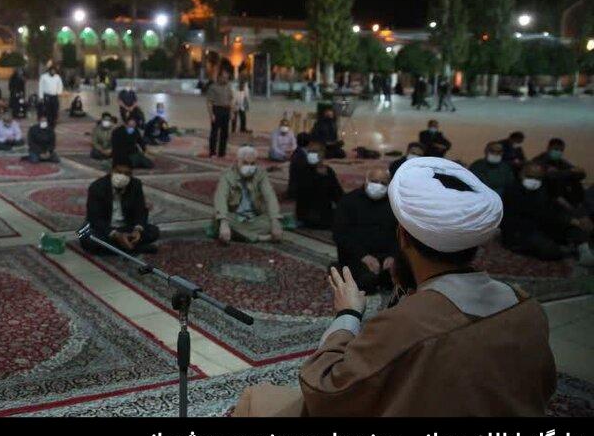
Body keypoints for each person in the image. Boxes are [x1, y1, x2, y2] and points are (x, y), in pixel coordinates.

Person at [233, 157, 556, 417]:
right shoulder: (526, 307)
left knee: (254, 400)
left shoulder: (408, 324)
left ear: (402, 237)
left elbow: (325, 389)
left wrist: (347, 315)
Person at [501, 162, 593, 264]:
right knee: (550, 251)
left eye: (538, 178)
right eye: (531, 176)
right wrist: (566, 219)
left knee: (572, 227)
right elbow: (537, 211)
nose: (534, 181)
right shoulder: (512, 190)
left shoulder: (541, 189)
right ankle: (564, 249)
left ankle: (584, 251)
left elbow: (551, 207)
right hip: (520, 231)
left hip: (540, 225)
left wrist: (572, 219)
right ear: (522, 174)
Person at [332, 168, 398, 293]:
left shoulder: (394, 204)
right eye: (375, 181)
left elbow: (399, 234)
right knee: (367, 282)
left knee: (405, 278)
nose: (378, 186)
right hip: (357, 255)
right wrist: (364, 256)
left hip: (386, 256)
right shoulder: (348, 201)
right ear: (366, 181)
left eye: (383, 183)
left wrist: (393, 255)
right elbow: (339, 235)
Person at [80, 163, 159, 255]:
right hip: (105, 229)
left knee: (154, 231)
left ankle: (118, 247)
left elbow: (140, 211)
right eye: (119, 172)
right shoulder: (97, 186)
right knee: (84, 236)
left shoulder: (135, 184)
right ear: (112, 171)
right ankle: (136, 248)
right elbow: (94, 218)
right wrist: (115, 235)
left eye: (127, 174)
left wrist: (137, 230)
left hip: (127, 228)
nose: (122, 176)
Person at [209, 145, 282, 244]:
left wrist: (275, 221)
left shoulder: (260, 174)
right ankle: (260, 238)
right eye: (245, 163)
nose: (249, 167)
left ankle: (242, 234)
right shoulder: (227, 175)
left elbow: (270, 196)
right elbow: (220, 198)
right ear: (237, 161)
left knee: (270, 222)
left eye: (252, 164)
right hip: (234, 216)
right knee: (219, 221)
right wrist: (224, 223)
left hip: (254, 217)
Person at [293, 141, 343, 229]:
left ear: (322, 154)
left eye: (315, 152)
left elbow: (337, 192)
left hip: (324, 210)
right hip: (310, 214)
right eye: (310, 152)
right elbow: (307, 195)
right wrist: (321, 177)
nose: (311, 154)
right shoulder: (304, 170)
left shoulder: (328, 171)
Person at [532, 138, 587, 208]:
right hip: (546, 192)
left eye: (561, 150)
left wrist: (576, 171)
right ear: (548, 148)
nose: (558, 152)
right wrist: (569, 172)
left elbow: (580, 174)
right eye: (556, 149)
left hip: (561, 191)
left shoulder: (561, 162)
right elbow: (550, 175)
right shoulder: (539, 160)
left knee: (575, 181)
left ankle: (579, 205)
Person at [205, 69, 233, 158]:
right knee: (215, 133)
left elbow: (230, 100)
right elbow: (209, 102)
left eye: (227, 78)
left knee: (225, 133)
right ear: (219, 77)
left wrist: (231, 112)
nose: (226, 80)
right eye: (224, 78)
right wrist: (211, 114)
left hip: (226, 110)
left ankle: (222, 152)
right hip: (217, 110)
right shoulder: (213, 87)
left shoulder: (228, 86)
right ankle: (212, 152)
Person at [37, 63, 64, 128]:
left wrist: (59, 92)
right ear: (49, 71)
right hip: (47, 97)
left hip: (54, 96)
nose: (53, 72)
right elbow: (41, 87)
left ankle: (53, 124)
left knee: (55, 111)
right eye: (52, 71)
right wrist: (41, 97)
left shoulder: (57, 77)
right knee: (47, 111)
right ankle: (48, 124)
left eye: (54, 71)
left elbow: (60, 85)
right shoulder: (44, 77)